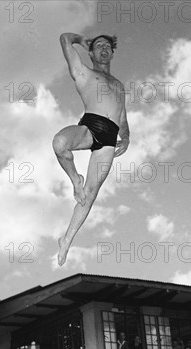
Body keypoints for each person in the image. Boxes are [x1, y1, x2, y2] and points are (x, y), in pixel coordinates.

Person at [53, 32, 130, 266]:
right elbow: (65, 38)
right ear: (91, 52)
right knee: (60, 144)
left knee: (90, 194)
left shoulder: (119, 84)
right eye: (99, 46)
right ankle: (75, 178)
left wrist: (126, 135)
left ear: (112, 53)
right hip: (90, 125)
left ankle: (66, 239)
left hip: (109, 138)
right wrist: (82, 39)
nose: (104, 49)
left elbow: (123, 115)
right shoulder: (83, 72)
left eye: (108, 46)